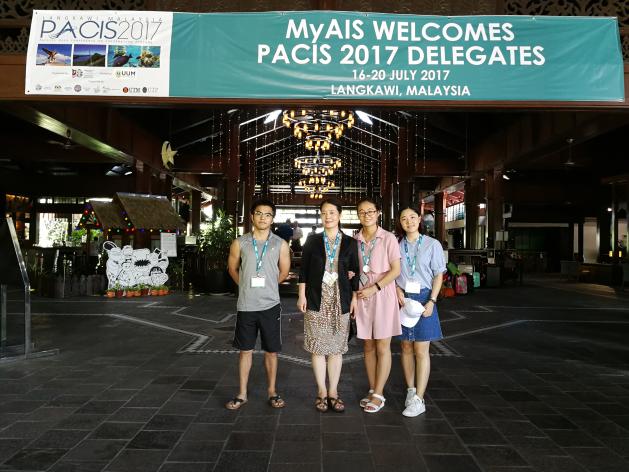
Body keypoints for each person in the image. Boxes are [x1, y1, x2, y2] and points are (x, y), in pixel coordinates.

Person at [225, 198, 291, 410]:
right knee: (245, 350)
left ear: (273, 218)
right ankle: (242, 393)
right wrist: (245, 285)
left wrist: (268, 286)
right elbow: (232, 268)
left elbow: (284, 272)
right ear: (252, 216)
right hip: (246, 305)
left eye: (268, 214)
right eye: (259, 213)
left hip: (271, 305)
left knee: (271, 351)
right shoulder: (240, 242)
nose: (263, 218)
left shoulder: (280, 244)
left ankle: (272, 392)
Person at [298, 198, 359, 413]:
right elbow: (304, 270)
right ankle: (321, 391)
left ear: (339, 215)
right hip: (316, 298)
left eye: (332, 212)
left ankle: (333, 391)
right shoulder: (312, 241)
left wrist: (354, 299)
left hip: (340, 299)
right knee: (317, 347)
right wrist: (301, 295)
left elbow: (355, 273)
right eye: (324, 212)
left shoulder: (350, 243)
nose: (328, 216)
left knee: (336, 348)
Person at [395, 207, 445, 417]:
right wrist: (398, 291)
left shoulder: (432, 244)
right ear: (400, 222)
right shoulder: (396, 244)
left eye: (412, 217)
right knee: (406, 346)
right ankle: (411, 390)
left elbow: (438, 274)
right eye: (404, 218)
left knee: (421, 349)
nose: (409, 221)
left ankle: (419, 399)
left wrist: (432, 300)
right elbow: (392, 272)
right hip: (404, 299)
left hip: (425, 298)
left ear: (420, 219)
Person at [354, 198, 401, 413]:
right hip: (362, 295)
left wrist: (376, 287)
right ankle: (373, 388)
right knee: (368, 345)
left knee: (382, 345)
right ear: (358, 215)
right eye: (362, 212)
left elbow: (396, 270)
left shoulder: (388, 238)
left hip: (382, 293)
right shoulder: (355, 240)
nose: (366, 215)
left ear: (378, 213)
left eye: (370, 211)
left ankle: (379, 394)